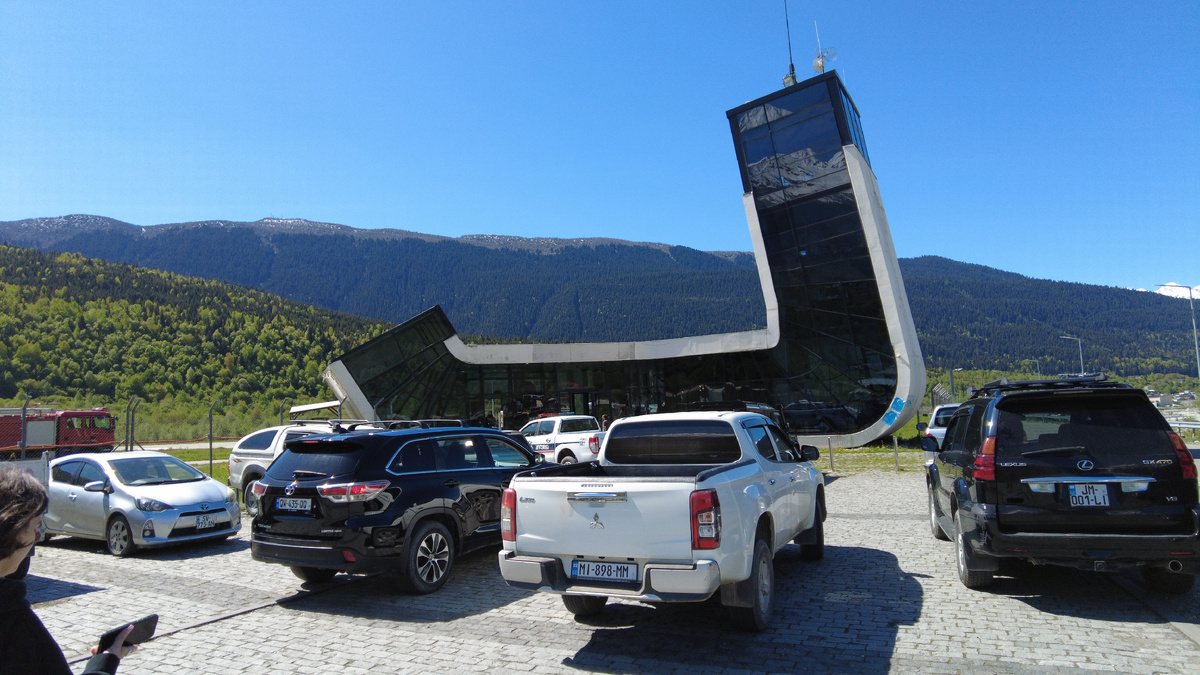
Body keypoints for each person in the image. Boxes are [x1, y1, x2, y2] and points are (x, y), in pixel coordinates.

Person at [0, 466, 141, 674]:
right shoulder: (13, 620)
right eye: (36, 526)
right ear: (12, 529)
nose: (38, 537)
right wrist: (104, 663)